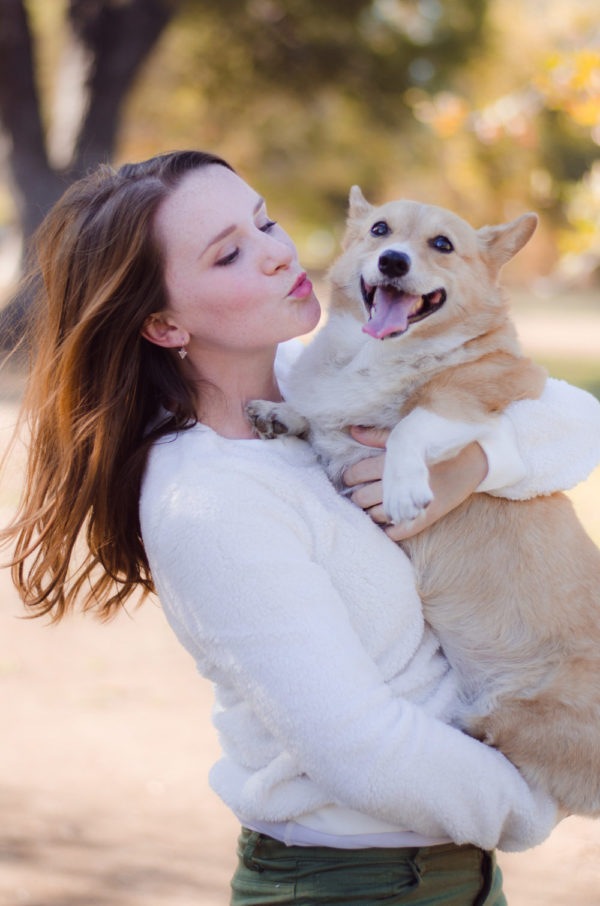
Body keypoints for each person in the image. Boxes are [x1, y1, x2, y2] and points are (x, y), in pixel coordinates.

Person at [3, 149, 600, 905]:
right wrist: (529, 802)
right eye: (229, 254)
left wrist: (472, 467)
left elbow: (576, 421)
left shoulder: (326, 375)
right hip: (357, 883)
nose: (277, 254)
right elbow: (359, 749)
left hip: (451, 872)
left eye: (265, 222)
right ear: (162, 323)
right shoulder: (211, 498)